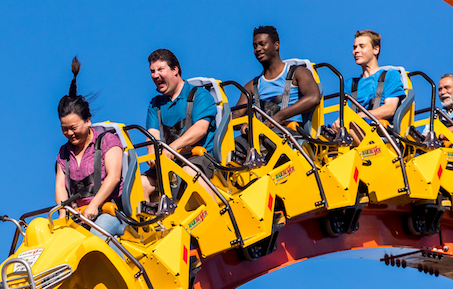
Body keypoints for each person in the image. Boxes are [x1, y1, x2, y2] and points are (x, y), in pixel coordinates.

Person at [55, 57, 126, 237]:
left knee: (93, 239)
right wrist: (63, 216)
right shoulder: (64, 153)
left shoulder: (107, 142)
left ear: (88, 121)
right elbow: (60, 187)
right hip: (80, 216)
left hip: (110, 211)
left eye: (74, 128)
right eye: (65, 129)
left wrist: (94, 205)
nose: (70, 133)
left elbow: (114, 176)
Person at [141, 49, 217, 200]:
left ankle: (220, 214)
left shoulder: (200, 95)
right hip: (170, 162)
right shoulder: (155, 104)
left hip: (199, 158)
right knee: (141, 183)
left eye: (160, 69)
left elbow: (200, 129)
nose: (155, 75)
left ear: (175, 70)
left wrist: (172, 148)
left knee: (189, 173)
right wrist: (152, 152)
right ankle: (149, 221)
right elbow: (152, 136)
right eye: (152, 71)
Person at [233, 26, 320, 132]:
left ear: (276, 45)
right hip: (259, 134)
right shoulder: (252, 86)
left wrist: (279, 117)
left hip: (288, 132)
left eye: (262, 44)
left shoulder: (298, 73)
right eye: (255, 46)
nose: (258, 49)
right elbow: (236, 115)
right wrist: (245, 124)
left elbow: (313, 98)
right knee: (234, 147)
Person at [334, 30, 405, 144]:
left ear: (376, 50)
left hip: (378, 135)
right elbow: (345, 113)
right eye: (355, 47)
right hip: (353, 130)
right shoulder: (350, 84)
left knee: (350, 127)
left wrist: (359, 116)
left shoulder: (390, 75)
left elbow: (390, 109)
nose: (356, 51)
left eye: (362, 46)